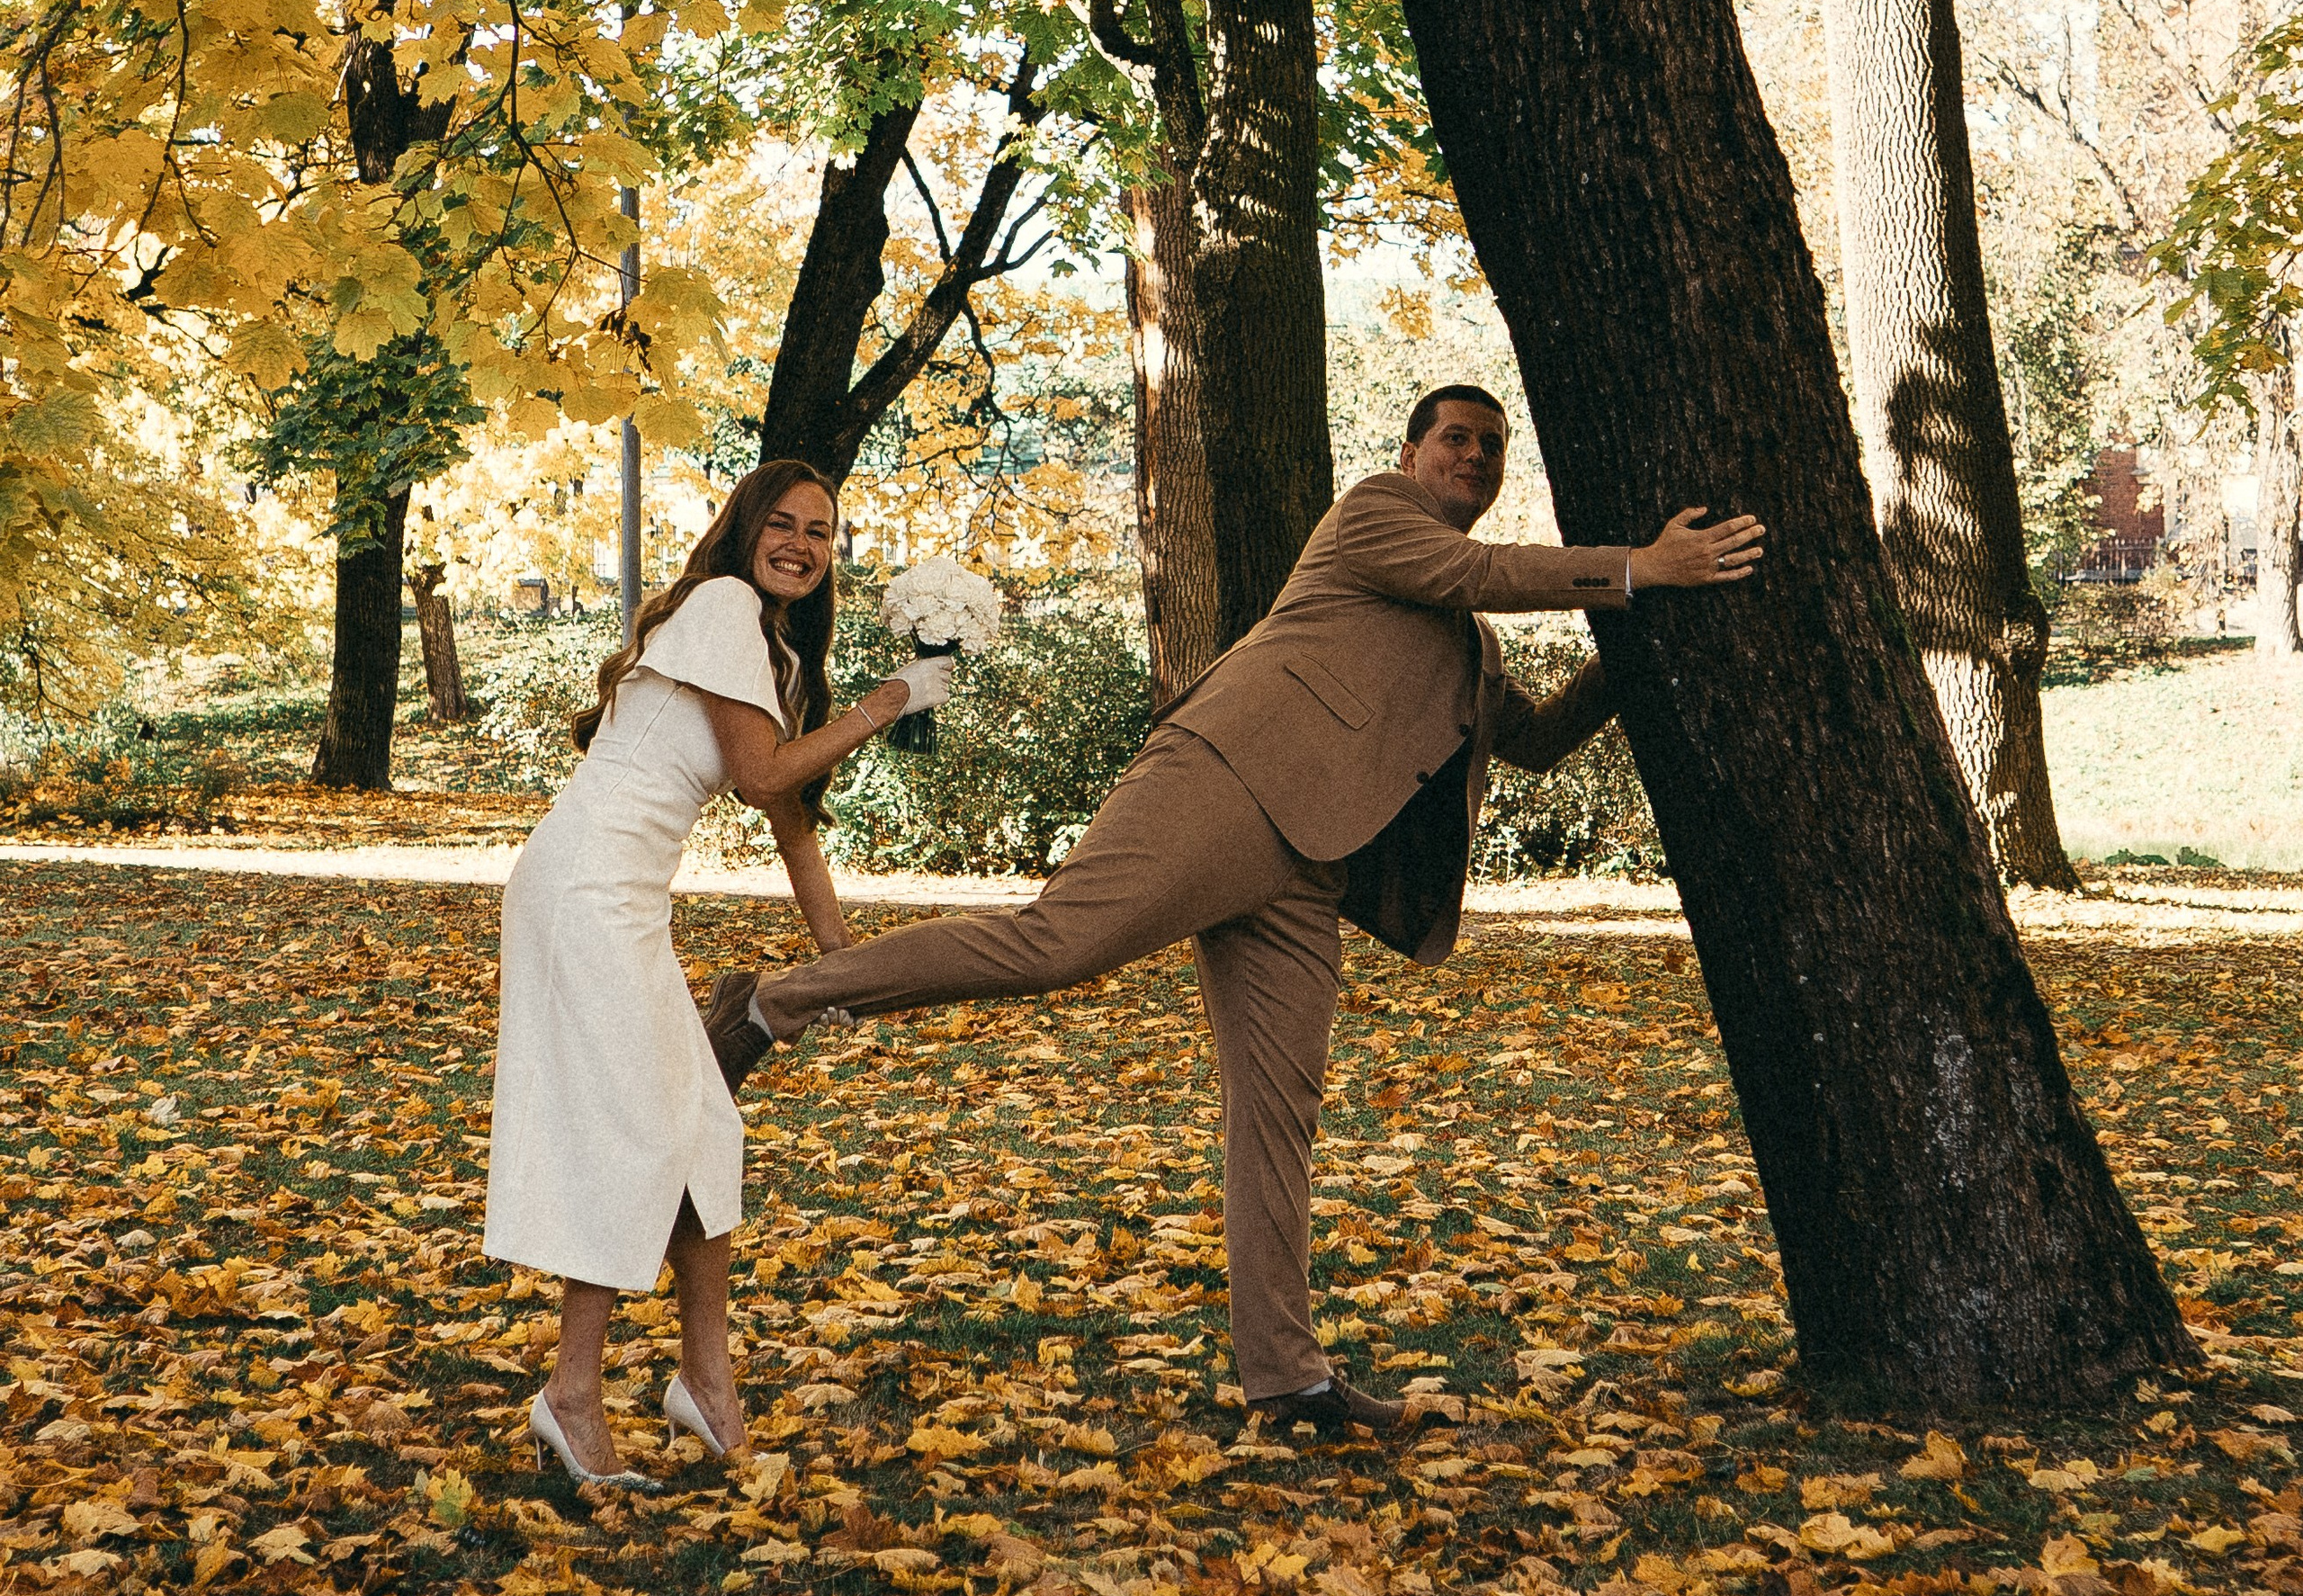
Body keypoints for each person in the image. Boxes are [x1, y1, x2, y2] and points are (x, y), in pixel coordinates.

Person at [703, 388, 1764, 1442]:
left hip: (1311, 872)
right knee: (1054, 944)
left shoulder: (1473, 648)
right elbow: (1473, 568)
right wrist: (1640, 567)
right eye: (1456, 438)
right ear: (1411, 452)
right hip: (1222, 784)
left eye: (1491, 447)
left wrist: (1649, 636)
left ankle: (1287, 1379)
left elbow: (1531, 740)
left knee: (1279, 1114)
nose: (1474, 458)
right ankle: (776, 1001)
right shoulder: (1373, 517)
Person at [486, 457, 952, 1487]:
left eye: (819, 533)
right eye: (780, 524)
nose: (798, 545)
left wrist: (845, 965)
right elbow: (761, 777)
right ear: (745, 534)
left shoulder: (770, 659)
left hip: (624, 901)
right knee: (639, 1129)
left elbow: (790, 827)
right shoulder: (721, 605)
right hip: (582, 892)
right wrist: (889, 701)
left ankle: (705, 1384)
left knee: (705, 1128)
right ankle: (569, 1393)